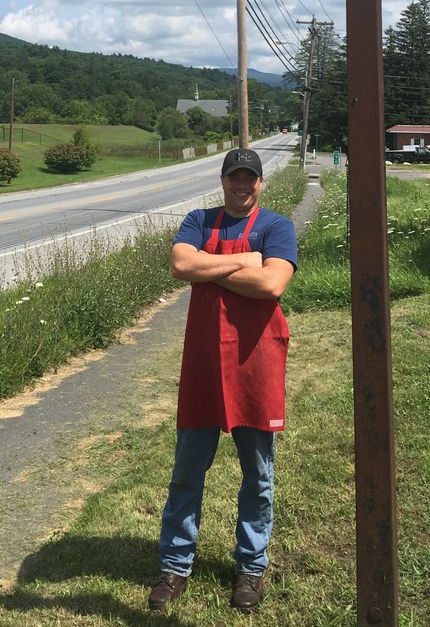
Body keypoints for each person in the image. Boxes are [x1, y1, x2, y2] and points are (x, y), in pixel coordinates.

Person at [149, 148, 297, 615]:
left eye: (249, 177)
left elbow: (272, 286)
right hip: (203, 365)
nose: (241, 184)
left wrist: (211, 268)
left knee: (258, 475)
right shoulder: (198, 219)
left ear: (259, 183)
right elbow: (180, 267)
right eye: (234, 176)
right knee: (187, 471)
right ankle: (175, 567)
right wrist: (245, 261)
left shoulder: (277, 227)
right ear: (222, 179)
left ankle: (250, 568)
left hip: (256, 364)